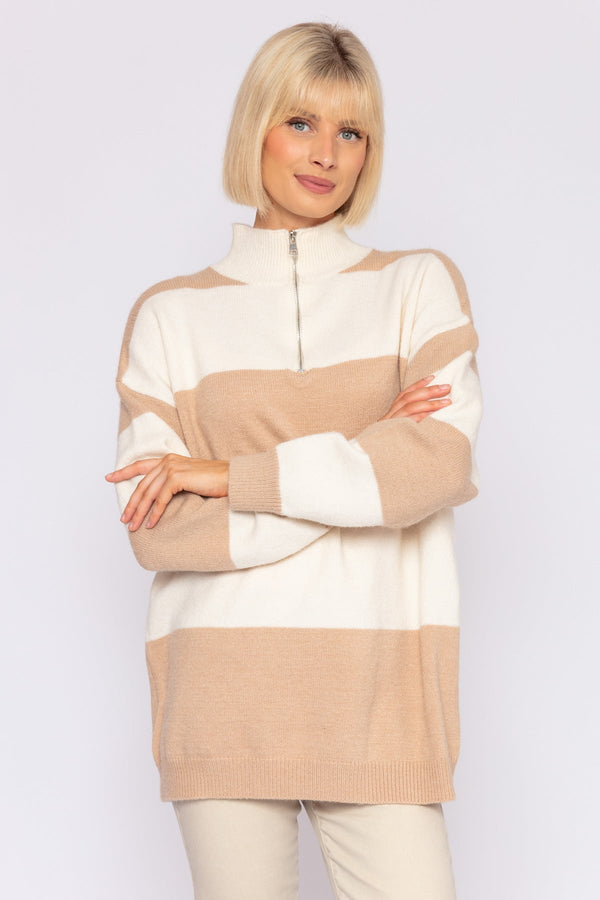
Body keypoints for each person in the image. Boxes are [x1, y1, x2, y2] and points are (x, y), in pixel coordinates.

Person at [105, 21, 482, 900]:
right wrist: (365, 458)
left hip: (383, 699)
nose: (326, 155)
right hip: (222, 694)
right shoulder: (169, 316)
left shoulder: (417, 286)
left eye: (352, 132)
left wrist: (227, 475)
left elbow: (433, 465)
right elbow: (161, 530)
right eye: (301, 123)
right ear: (257, 129)